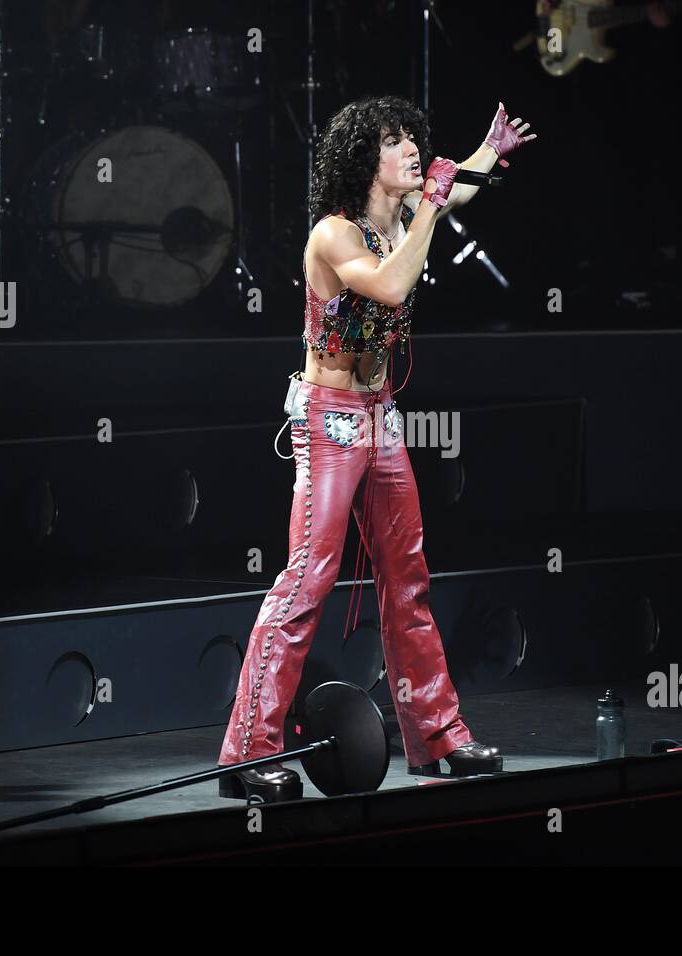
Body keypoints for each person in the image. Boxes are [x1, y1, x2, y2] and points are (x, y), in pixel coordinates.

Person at [217, 94, 537, 802]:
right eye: (396, 143)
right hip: (329, 422)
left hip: (380, 416)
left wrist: (491, 150)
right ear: (367, 161)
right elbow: (390, 288)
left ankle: (439, 737)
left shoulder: (404, 216)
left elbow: (457, 184)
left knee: (409, 579)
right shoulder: (335, 235)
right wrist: (434, 204)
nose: (413, 152)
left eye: (413, 141)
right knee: (307, 581)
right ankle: (247, 752)